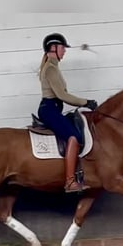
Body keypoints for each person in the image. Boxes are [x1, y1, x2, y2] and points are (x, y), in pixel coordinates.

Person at [37, 33, 98, 193]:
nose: (65, 51)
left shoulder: (53, 67)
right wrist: (86, 102)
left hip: (54, 108)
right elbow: (62, 95)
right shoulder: (50, 68)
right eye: (63, 48)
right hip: (49, 109)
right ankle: (70, 181)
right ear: (53, 48)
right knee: (73, 137)